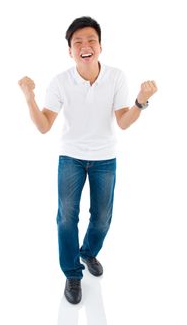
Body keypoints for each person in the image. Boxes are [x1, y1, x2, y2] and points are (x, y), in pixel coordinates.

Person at [18, 16, 158, 305]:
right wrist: (29, 97)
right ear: (70, 51)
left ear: (100, 47)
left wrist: (141, 101)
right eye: (78, 42)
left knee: (103, 217)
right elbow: (44, 125)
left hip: (105, 158)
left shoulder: (116, 77)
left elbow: (124, 122)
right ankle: (72, 273)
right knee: (67, 217)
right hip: (71, 157)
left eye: (91, 40)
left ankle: (88, 251)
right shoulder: (60, 82)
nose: (85, 46)